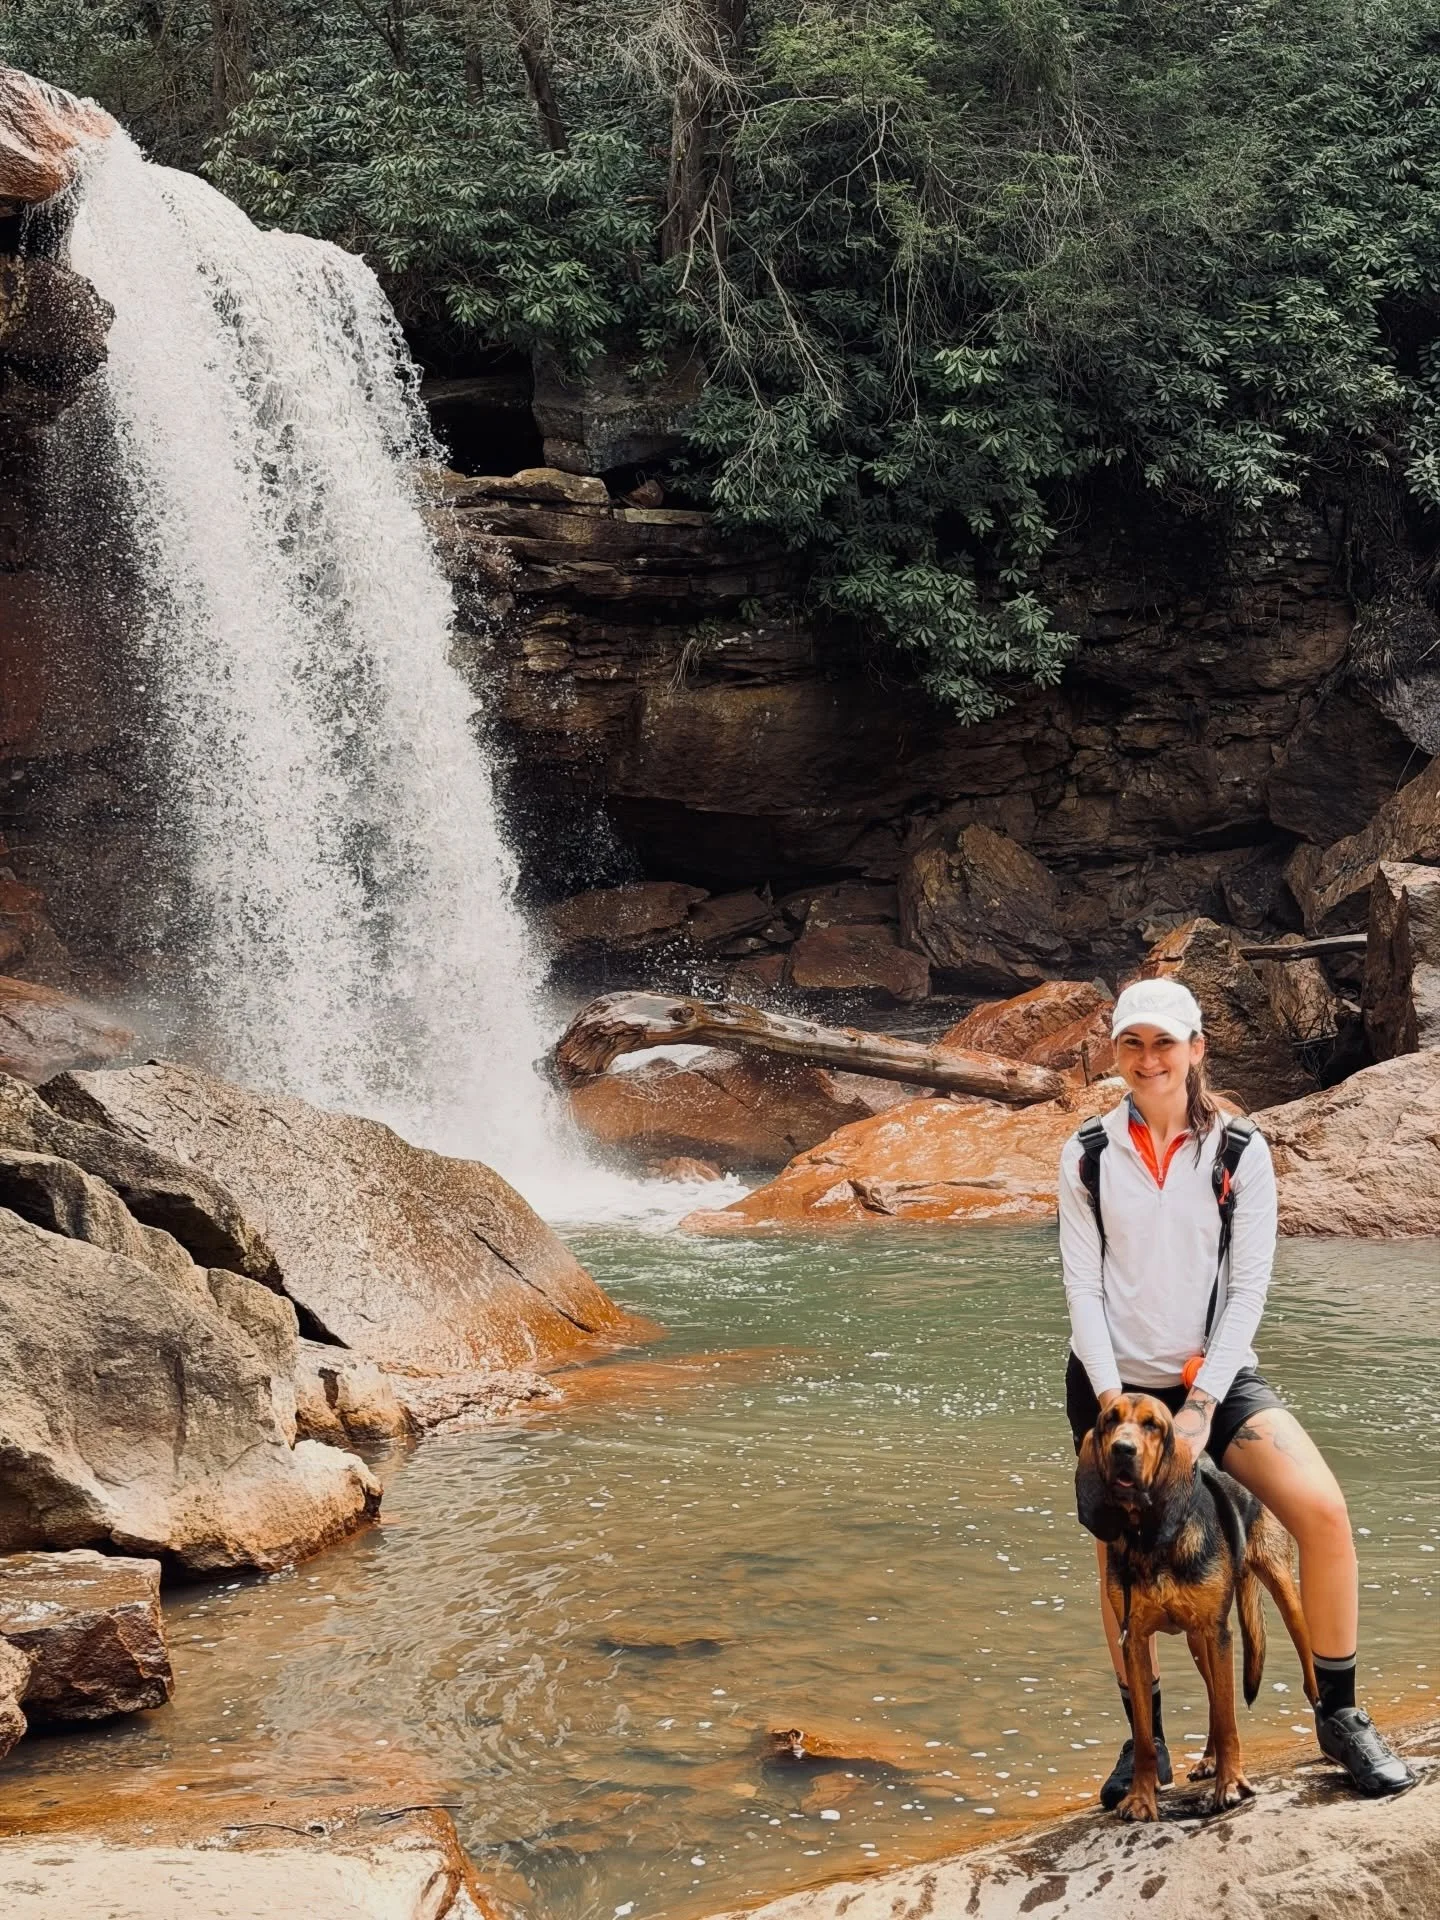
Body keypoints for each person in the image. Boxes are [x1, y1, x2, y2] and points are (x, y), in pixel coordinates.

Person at [1057, 976, 1414, 1805]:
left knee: (1322, 1513)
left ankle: (1340, 1713)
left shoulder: (1240, 1152)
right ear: (1116, 1052)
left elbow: (1249, 1289)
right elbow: (1082, 1290)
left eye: (1165, 1044)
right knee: (1115, 1557)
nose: (1149, 1061)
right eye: (1133, 1044)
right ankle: (1140, 1732)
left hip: (1214, 1376)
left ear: (1196, 1050)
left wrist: (1203, 1405)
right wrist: (1117, 1407)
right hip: (1114, 1386)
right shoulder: (1088, 1153)